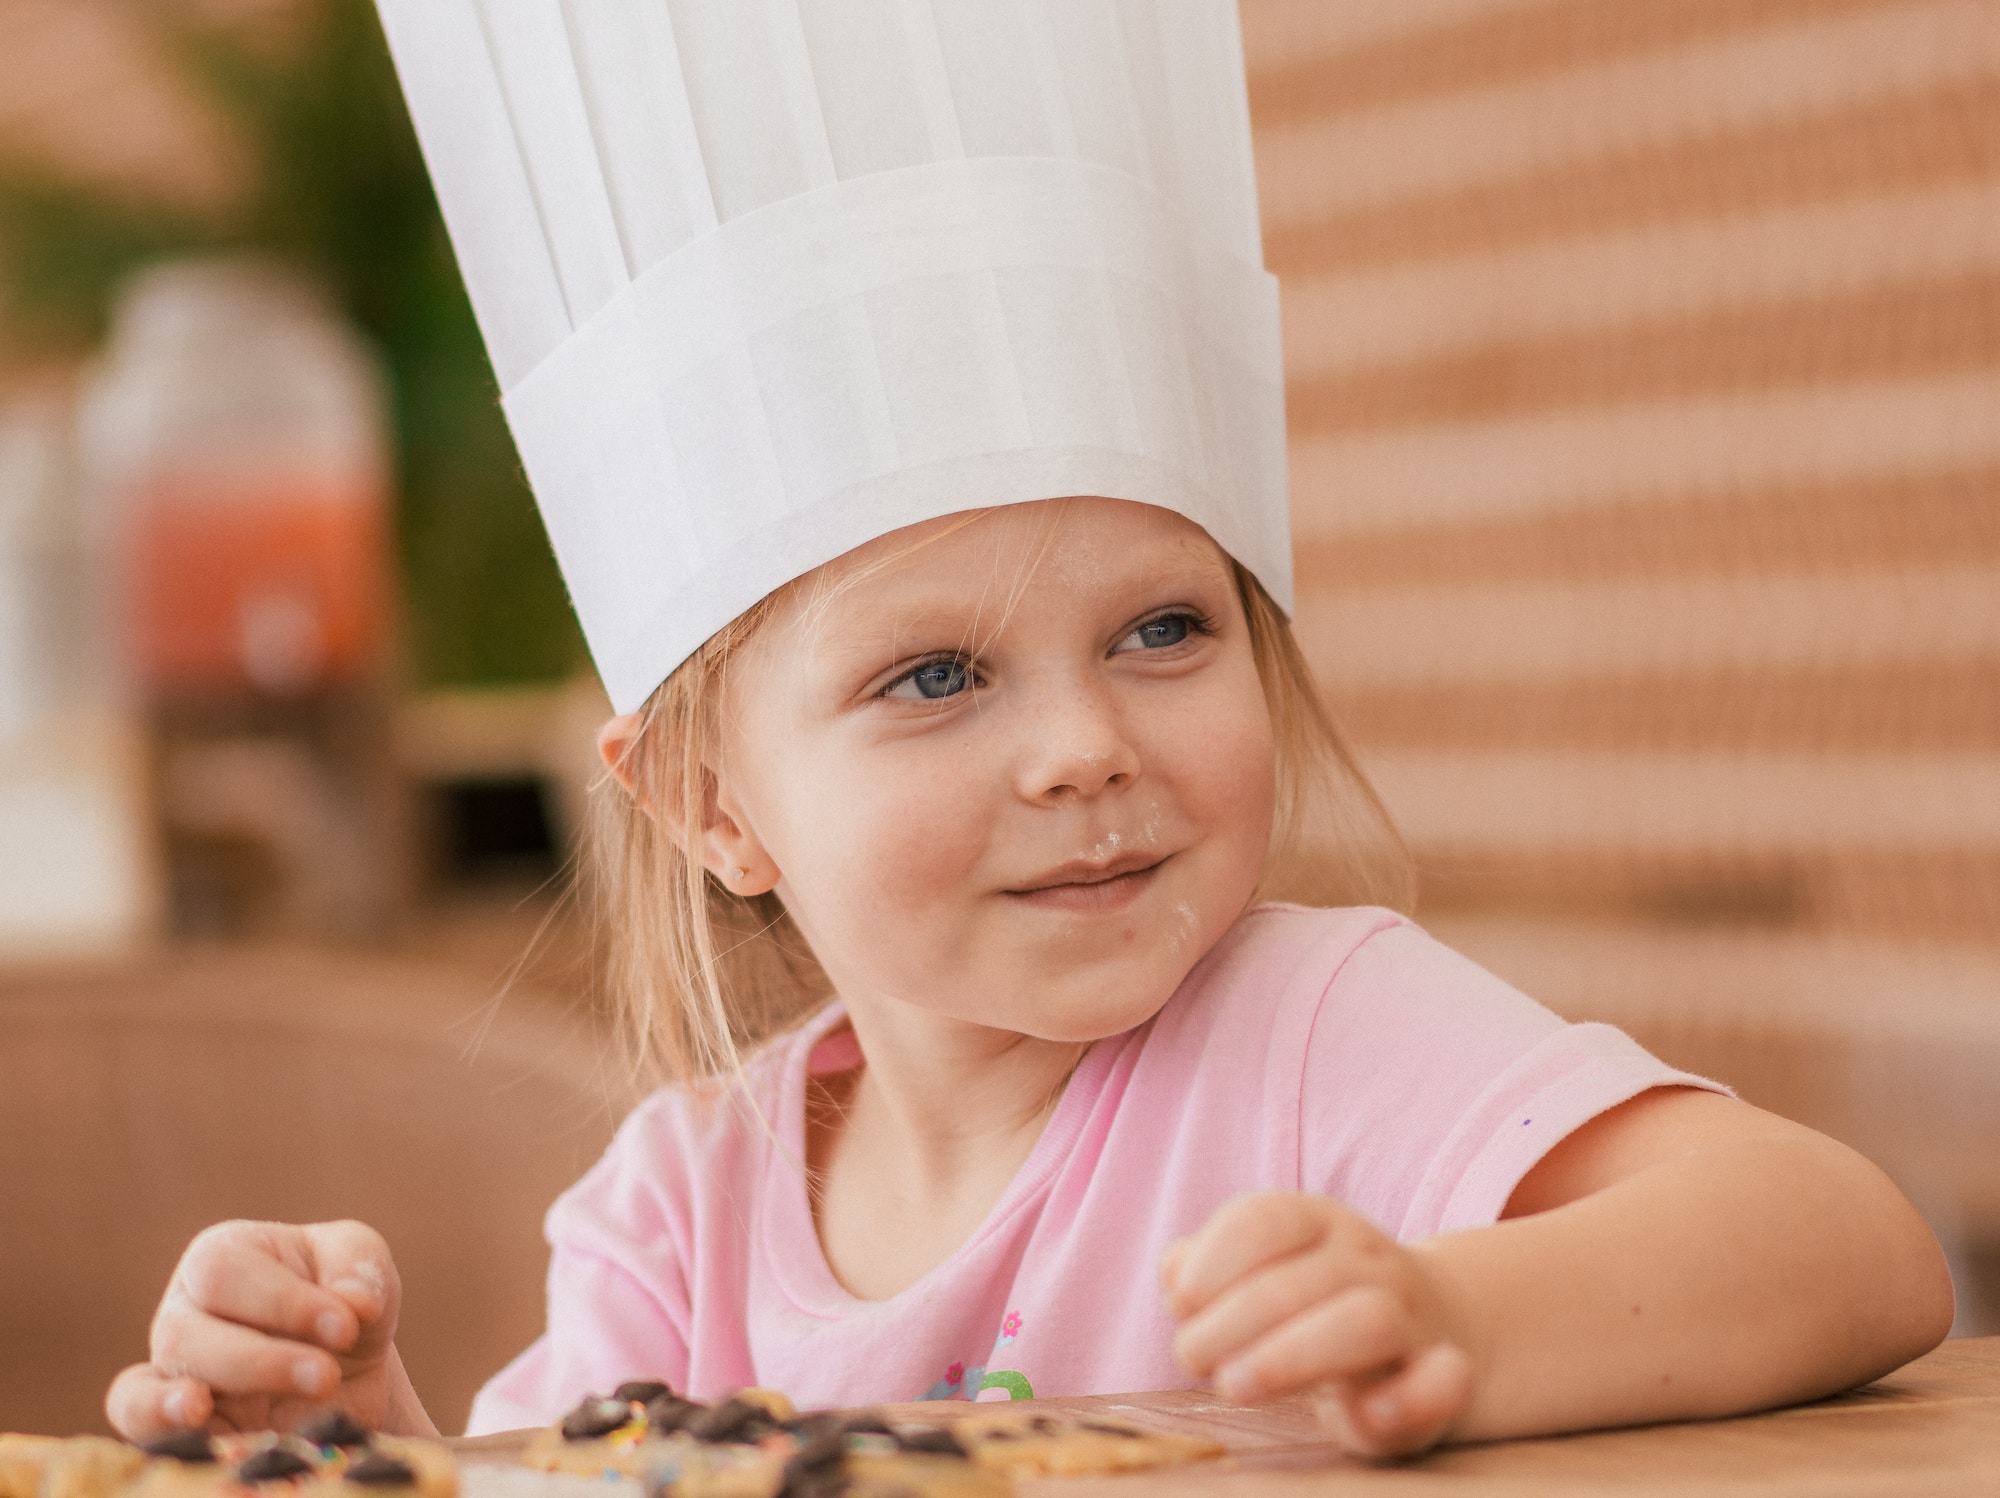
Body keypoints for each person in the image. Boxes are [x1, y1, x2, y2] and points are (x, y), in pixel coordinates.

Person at [107, 1, 1951, 1460]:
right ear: (708, 799)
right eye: (937, 676)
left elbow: (1854, 1248)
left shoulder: (1308, 1036)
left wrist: (1457, 1318)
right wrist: (352, 1446)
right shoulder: (674, 1219)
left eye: (1163, 628)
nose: (1085, 746)